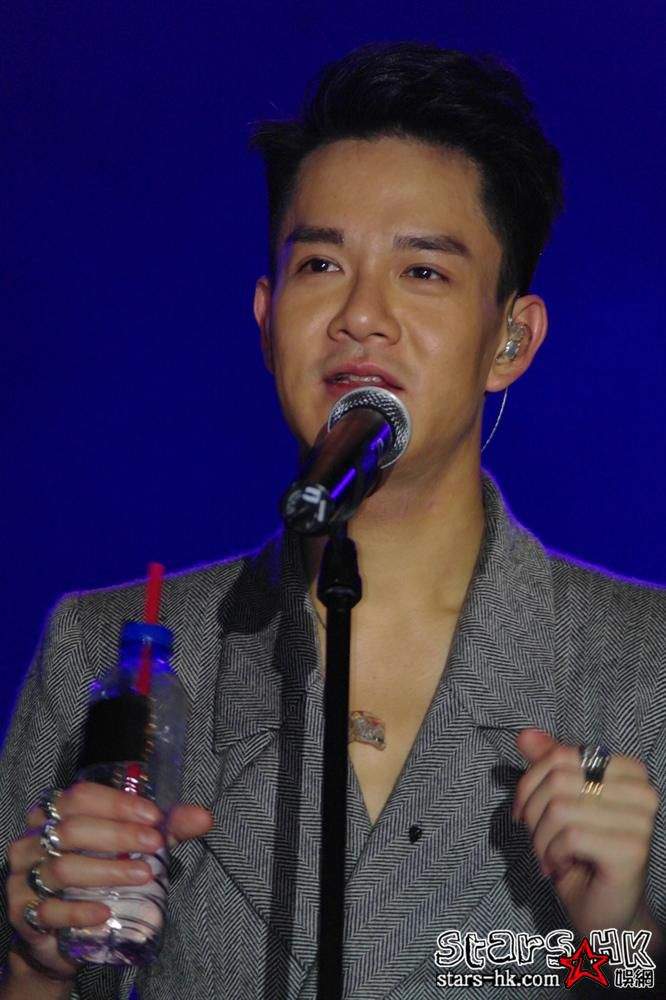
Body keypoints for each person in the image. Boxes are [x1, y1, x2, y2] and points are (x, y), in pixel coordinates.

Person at [1, 41, 665, 1000]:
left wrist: (619, 939)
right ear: (267, 317)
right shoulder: (109, 651)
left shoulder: (642, 672)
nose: (361, 315)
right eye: (321, 263)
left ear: (510, 338)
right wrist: (34, 961)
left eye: (423, 272)